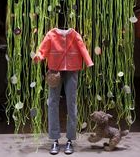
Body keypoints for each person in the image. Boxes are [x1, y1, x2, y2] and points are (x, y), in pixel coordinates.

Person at [33, 27, 94, 155]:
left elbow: (82, 47)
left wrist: (88, 62)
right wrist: (39, 56)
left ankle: (70, 139)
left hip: (73, 69)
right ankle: (54, 139)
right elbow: (43, 48)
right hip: (54, 69)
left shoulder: (75, 34)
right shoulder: (51, 34)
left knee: (71, 103)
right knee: (52, 102)